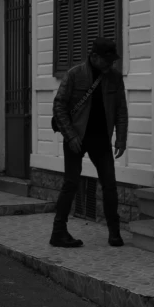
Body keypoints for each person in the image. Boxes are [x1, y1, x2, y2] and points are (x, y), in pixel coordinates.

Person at [50, 37, 128, 248]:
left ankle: (114, 232)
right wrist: (71, 136)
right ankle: (58, 232)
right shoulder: (74, 75)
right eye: (107, 60)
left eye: (113, 60)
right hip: (76, 137)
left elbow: (121, 109)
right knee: (71, 183)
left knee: (110, 185)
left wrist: (121, 138)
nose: (110, 64)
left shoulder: (114, 78)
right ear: (94, 57)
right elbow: (59, 107)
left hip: (101, 138)